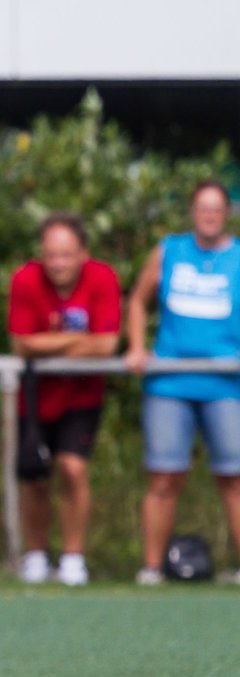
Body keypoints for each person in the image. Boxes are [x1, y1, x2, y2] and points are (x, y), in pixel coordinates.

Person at [124, 179, 240, 586]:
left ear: (226, 212)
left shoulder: (238, 257)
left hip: (227, 385)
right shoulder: (169, 250)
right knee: (164, 476)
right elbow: (138, 300)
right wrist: (138, 347)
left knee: (234, 478)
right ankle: (152, 568)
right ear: (192, 211)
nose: (209, 214)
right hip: (170, 383)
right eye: (202, 207)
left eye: (217, 207)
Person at [7, 213, 121, 586]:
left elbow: (107, 344)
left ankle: (73, 558)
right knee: (35, 477)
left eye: (66, 254)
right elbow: (22, 343)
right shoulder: (25, 279)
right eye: (51, 254)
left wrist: (49, 346)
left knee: (73, 468)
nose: (58, 263)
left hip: (82, 395)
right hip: (35, 396)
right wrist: (79, 341)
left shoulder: (102, 277)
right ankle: (37, 555)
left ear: (83, 253)